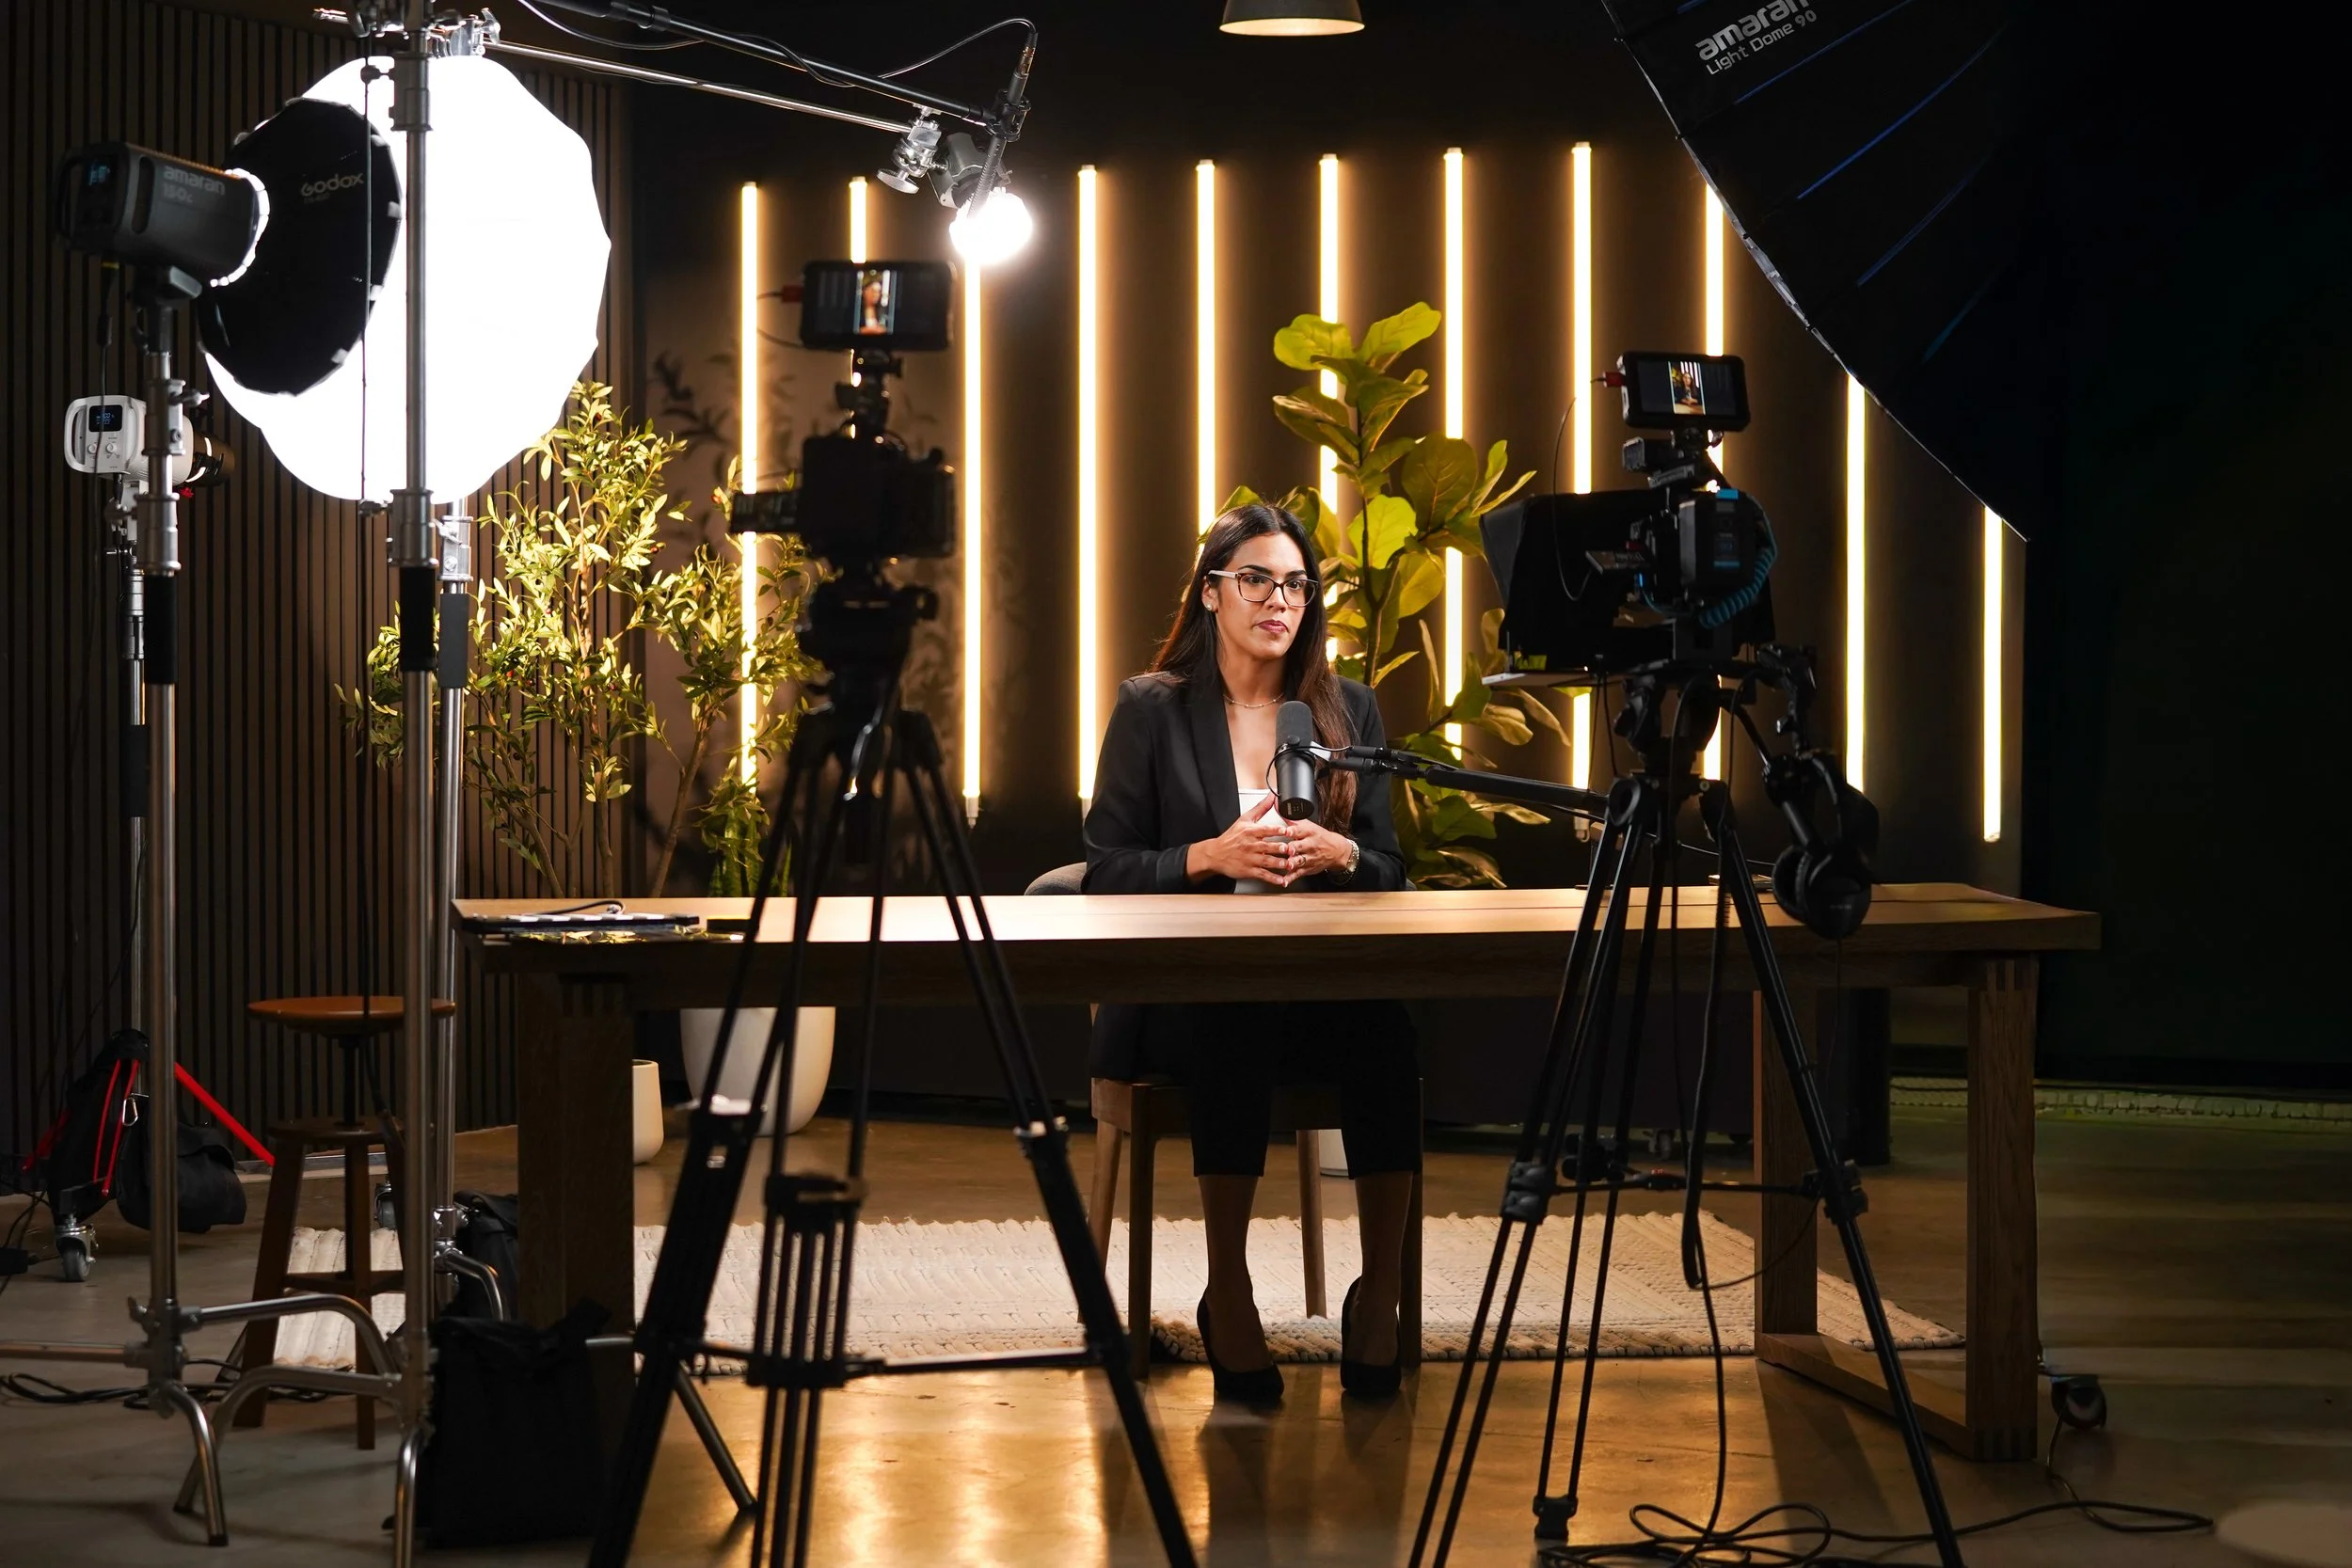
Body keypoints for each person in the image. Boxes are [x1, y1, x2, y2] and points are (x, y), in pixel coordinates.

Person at [1083, 501, 1420, 1402]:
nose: (1281, 599)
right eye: (1258, 580)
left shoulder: (1345, 709)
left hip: (1319, 992)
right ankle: (1226, 1288)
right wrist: (1208, 856)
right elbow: (1104, 868)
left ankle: (1379, 1289)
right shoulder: (1152, 710)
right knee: (1235, 1003)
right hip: (1182, 1003)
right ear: (1211, 594)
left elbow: (1393, 870)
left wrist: (1343, 853)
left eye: (1298, 584)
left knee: (1386, 1024)